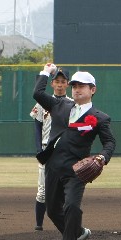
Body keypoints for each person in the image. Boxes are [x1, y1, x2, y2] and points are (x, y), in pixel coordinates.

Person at [33, 64, 116, 240]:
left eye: (82, 86)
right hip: (53, 166)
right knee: (52, 210)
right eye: (75, 85)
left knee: (71, 206)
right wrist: (46, 72)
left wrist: (102, 157)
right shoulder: (58, 105)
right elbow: (37, 92)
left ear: (92, 90)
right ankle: (79, 232)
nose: (77, 89)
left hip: (77, 170)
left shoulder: (99, 118)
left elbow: (110, 142)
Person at [29, 68, 71, 231]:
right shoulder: (42, 102)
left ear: (67, 84)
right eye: (57, 81)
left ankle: (66, 225)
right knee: (42, 192)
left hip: (64, 151)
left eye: (63, 81)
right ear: (52, 83)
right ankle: (39, 226)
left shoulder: (71, 104)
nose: (60, 85)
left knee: (66, 192)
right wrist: (39, 149)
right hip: (47, 150)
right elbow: (37, 126)